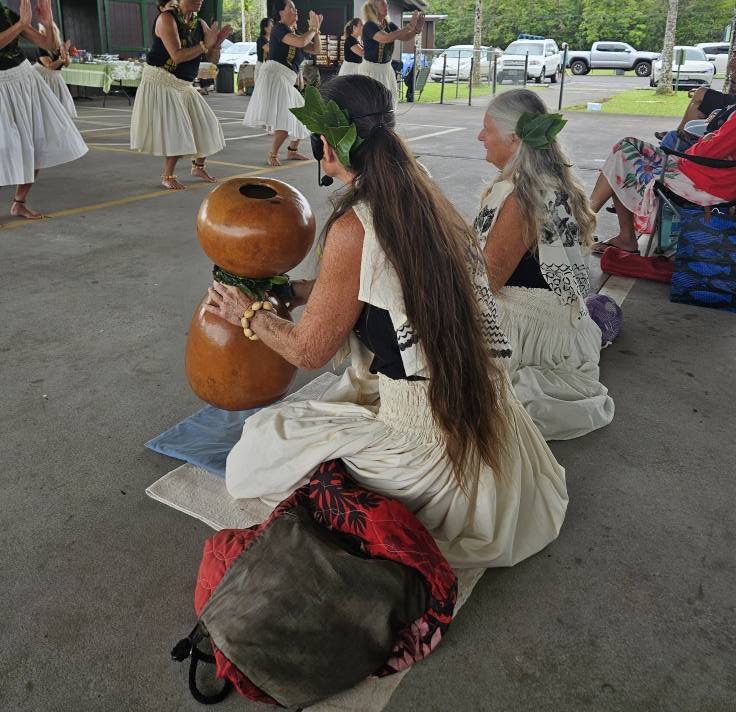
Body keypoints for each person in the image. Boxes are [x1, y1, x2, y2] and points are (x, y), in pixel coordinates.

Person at [205, 75, 567, 570]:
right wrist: (291, 292)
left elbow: (309, 351)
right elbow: (376, 288)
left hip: (429, 446)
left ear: (325, 145)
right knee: (326, 413)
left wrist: (246, 312)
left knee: (260, 448)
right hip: (485, 422)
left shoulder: (356, 223)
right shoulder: (422, 193)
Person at [475, 90, 613, 441]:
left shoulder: (521, 198)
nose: (480, 137)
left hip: (527, 327)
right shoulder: (543, 182)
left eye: (486, 129)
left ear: (514, 139)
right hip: (559, 322)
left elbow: (484, 282)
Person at [130, 0, 231, 190]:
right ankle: (168, 175)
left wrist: (216, 45)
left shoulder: (200, 23)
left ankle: (197, 166)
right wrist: (205, 45)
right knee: (178, 129)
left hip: (183, 84)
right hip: (161, 79)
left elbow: (212, 60)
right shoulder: (167, 19)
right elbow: (177, 55)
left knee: (208, 125)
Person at [590, 107, 736, 253]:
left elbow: (705, 154)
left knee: (623, 156)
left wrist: (704, 140)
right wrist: (708, 139)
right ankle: (591, 223)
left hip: (706, 183)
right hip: (706, 175)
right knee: (625, 149)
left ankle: (584, 223)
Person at [0, 0, 87, 219]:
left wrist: (48, 25)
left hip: (24, 79)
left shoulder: (5, 13)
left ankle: (19, 202)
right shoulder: (15, 20)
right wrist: (20, 25)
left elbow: (48, 44)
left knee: (38, 143)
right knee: (3, 147)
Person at [243, 0, 323, 166]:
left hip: (286, 78)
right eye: (291, 8)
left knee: (305, 113)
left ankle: (292, 151)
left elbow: (316, 49)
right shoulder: (279, 29)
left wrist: (316, 31)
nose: (296, 11)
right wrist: (313, 28)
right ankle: (272, 154)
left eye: (295, 9)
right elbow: (301, 42)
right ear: (281, 13)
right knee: (286, 118)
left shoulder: (295, 33)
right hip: (275, 76)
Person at [356, 0, 424, 108]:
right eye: (383, 4)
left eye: (386, 3)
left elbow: (405, 37)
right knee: (372, 102)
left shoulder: (389, 25)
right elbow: (385, 38)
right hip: (371, 69)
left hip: (386, 68)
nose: (387, 6)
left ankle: (386, 124)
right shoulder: (369, 25)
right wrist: (409, 26)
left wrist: (417, 29)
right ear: (375, 8)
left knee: (388, 102)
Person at [34, 24, 76, 118]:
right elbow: (49, 66)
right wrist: (61, 58)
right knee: (47, 105)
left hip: (55, 77)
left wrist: (65, 52)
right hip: (43, 77)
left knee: (62, 104)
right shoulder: (41, 47)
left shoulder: (60, 45)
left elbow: (67, 64)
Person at [251, 17, 273, 88]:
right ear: (265, 28)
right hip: (261, 66)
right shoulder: (261, 39)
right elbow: (269, 49)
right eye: (271, 25)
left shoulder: (272, 39)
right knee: (261, 89)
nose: (273, 27)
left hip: (270, 67)